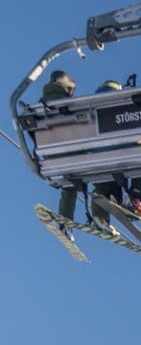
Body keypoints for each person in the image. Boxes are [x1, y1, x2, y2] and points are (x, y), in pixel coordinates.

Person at [91, 80, 141, 224]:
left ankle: (104, 209)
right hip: (120, 159)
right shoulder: (122, 110)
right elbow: (137, 138)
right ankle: (133, 197)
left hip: (94, 162)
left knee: (103, 181)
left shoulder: (90, 111)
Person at [41, 70, 78, 232]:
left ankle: (65, 223)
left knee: (69, 184)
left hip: (49, 156)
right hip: (70, 152)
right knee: (100, 169)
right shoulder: (66, 104)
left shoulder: (40, 103)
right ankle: (102, 215)